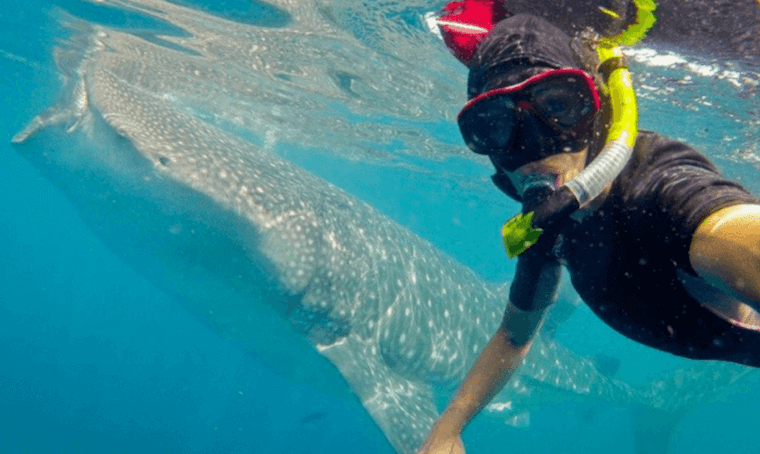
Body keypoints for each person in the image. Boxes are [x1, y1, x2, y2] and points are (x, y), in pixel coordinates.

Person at [419, 3, 760, 453]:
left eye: (558, 105)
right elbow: (514, 335)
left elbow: (726, 225)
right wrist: (449, 427)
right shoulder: (546, 226)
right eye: (497, 125)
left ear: (594, 108)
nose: (533, 146)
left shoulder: (661, 188)